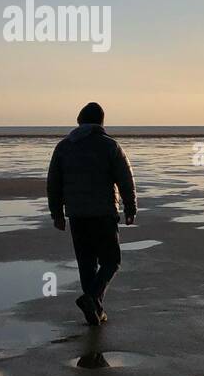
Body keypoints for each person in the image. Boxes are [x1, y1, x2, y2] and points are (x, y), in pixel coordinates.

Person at [47, 102, 137, 326]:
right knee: (112, 261)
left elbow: (54, 183)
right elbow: (125, 180)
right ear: (101, 122)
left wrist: (57, 213)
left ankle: (94, 310)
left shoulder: (64, 147)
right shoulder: (110, 147)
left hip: (77, 215)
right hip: (103, 213)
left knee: (86, 264)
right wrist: (130, 207)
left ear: (79, 121)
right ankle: (92, 299)